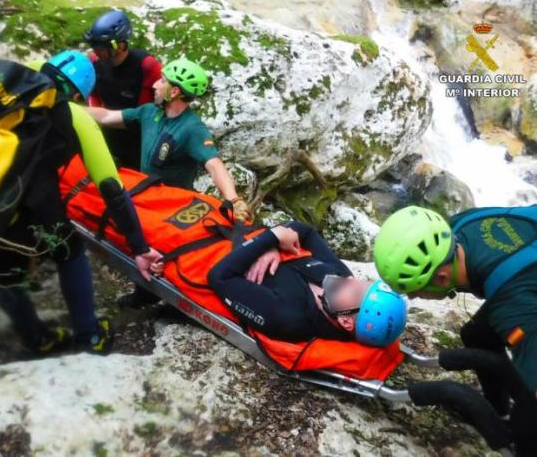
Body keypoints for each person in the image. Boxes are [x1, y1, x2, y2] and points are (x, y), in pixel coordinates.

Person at [0, 30, 163, 355]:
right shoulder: (74, 115)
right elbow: (112, 188)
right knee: (70, 253)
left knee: (5, 275)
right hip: (16, 207)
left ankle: (35, 339)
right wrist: (139, 247)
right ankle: (89, 335)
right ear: (78, 95)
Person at [88, 58, 254, 308]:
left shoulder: (192, 128)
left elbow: (214, 164)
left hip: (174, 207)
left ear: (174, 91)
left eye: (162, 81)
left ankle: (172, 295)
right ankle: (146, 292)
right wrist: (68, 108)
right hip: (146, 198)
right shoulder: (149, 112)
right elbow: (108, 116)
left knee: (167, 253)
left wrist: (233, 199)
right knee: (142, 244)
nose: (155, 84)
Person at [373, 205, 537, 455]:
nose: (414, 298)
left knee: (527, 414)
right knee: (476, 335)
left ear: (441, 278)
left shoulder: (512, 304)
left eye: (415, 291)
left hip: (524, 291)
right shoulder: (460, 225)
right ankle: (498, 411)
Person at [207, 221, 407, 346]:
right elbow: (306, 231)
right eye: (364, 282)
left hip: (212, 248)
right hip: (232, 229)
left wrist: (271, 238)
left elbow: (219, 277)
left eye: (356, 293)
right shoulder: (340, 278)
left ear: (346, 322)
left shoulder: (288, 317)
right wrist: (272, 246)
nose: (350, 279)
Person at [84, 10, 162, 169]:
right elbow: (93, 94)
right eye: (94, 46)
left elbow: (152, 109)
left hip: (138, 139)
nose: (96, 52)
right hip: (106, 129)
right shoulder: (95, 62)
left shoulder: (147, 66)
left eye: (100, 47)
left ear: (118, 46)